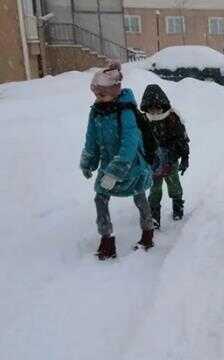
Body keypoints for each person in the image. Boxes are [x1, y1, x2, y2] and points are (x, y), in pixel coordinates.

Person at [80, 63, 155, 260]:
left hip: (131, 165)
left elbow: (130, 143)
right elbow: (91, 138)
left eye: (102, 94)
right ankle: (107, 240)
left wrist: (116, 171)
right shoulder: (97, 111)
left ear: (115, 91)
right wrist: (88, 161)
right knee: (100, 198)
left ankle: (147, 234)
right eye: (96, 95)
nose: (98, 99)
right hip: (108, 164)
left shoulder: (126, 111)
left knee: (139, 196)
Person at [139, 84, 190, 229]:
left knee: (174, 184)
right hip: (152, 162)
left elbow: (182, 139)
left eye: (157, 107)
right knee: (154, 189)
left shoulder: (172, 118)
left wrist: (185, 157)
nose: (154, 111)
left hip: (170, 159)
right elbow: (137, 140)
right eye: (151, 108)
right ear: (146, 107)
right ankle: (154, 217)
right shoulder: (143, 120)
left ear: (163, 105)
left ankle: (177, 206)